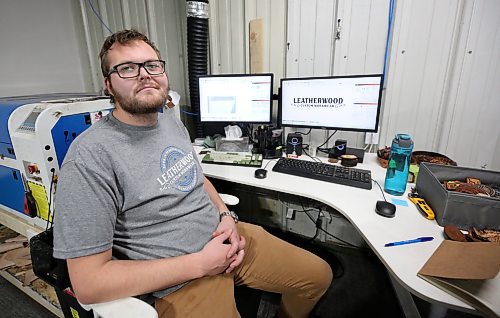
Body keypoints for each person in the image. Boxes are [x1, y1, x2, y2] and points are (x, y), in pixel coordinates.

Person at [53, 29, 332, 318]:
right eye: (127, 68)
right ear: (108, 85)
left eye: (152, 65)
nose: (144, 74)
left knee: (317, 277)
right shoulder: (90, 157)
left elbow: (197, 178)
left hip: (226, 241)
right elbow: (89, 284)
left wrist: (226, 216)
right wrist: (200, 264)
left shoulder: (169, 123)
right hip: (179, 280)